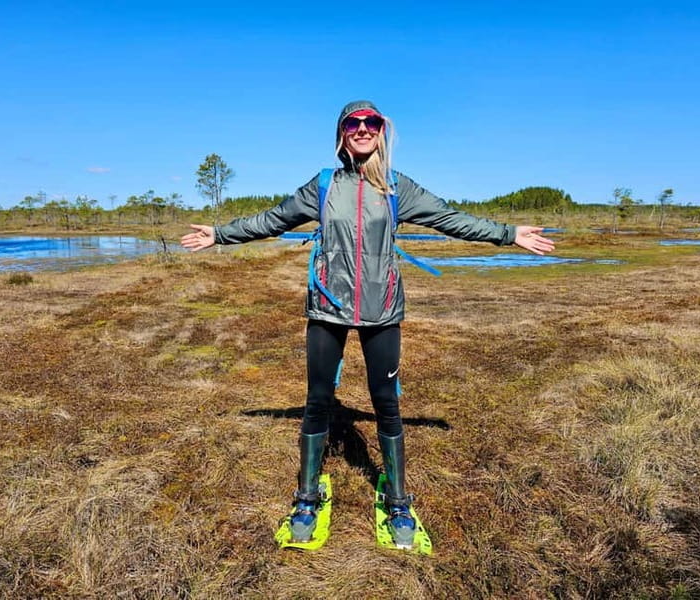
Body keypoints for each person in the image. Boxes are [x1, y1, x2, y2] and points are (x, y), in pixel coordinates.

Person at [181, 100, 555, 548]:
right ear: (342, 133)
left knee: (386, 403)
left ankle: (397, 500)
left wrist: (508, 234)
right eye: (353, 123)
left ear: (381, 131)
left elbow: (452, 219)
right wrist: (219, 234)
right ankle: (307, 497)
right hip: (327, 306)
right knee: (317, 400)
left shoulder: (398, 188)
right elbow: (273, 219)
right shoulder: (323, 185)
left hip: (383, 309)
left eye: (371, 122)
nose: (362, 129)